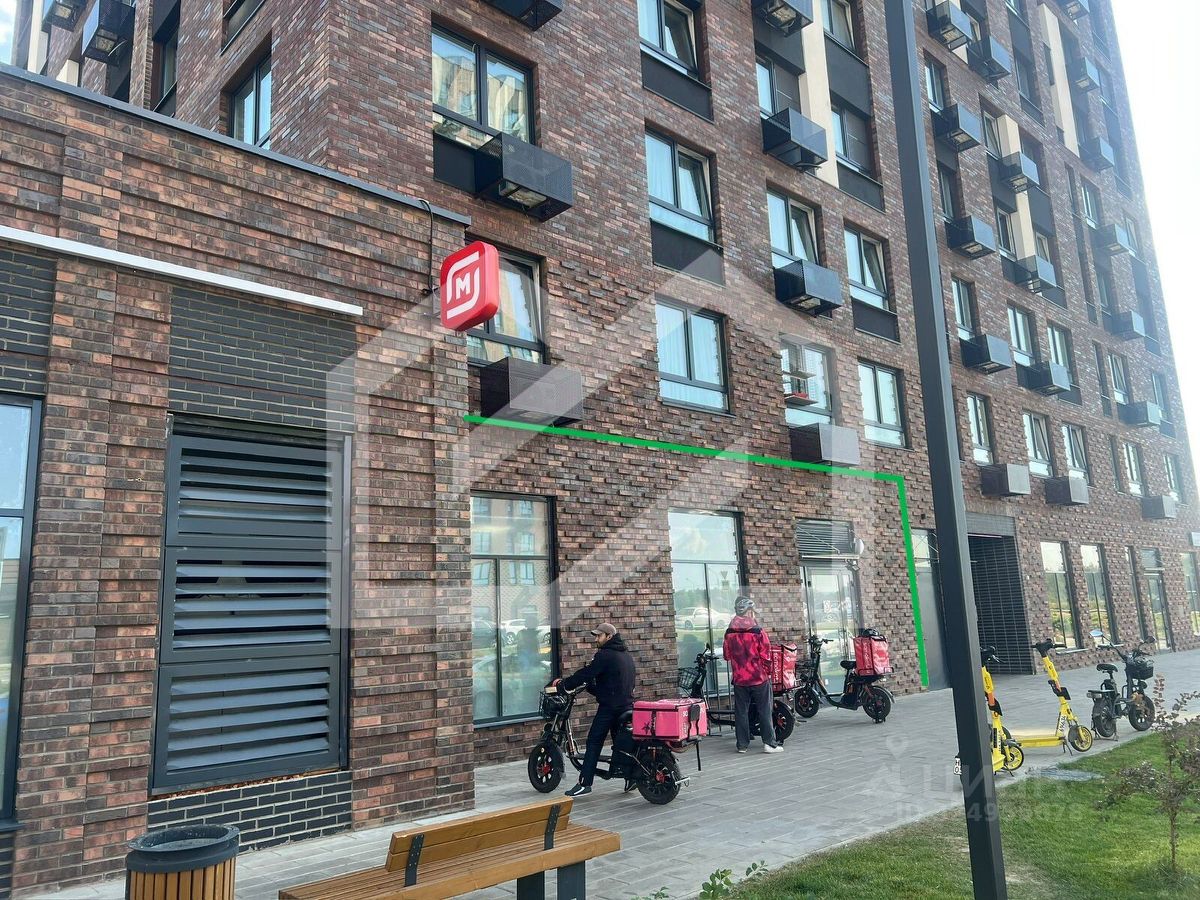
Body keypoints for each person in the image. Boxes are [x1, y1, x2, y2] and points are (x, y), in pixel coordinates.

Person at [552, 622, 636, 797]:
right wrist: (592, 688)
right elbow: (614, 684)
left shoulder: (605, 655)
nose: (596, 639)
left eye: (599, 636)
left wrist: (564, 685)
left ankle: (585, 783)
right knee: (621, 744)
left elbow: (586, 673)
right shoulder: (626, 655)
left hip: (610, 708)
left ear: (609, 636)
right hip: (626, 705)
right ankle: (632, 777)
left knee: (594, 742)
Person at [723, 596, 783, 754]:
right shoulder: (758, 631)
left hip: (739, 679)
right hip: (758, 678)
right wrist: (768, 673)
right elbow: (766, 656)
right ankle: (769, 743)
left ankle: (742, 745)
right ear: (749, 612)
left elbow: (726, 656)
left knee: (741, 712)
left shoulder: (729, 632)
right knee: (764, 710)